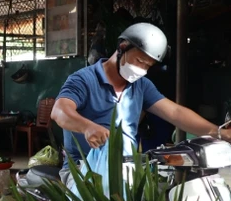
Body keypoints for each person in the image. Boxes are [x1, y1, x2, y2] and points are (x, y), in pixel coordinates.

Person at [52, 23, 231, 186]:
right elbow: (60, 110)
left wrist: (219, 133)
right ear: (122, 47)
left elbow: (175, 112)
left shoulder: (141, 85)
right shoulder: (83, 79)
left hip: (126, 169)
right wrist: (87, 127)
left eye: (148, 66)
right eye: (139, 61)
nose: (142, 69)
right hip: (83, 172)